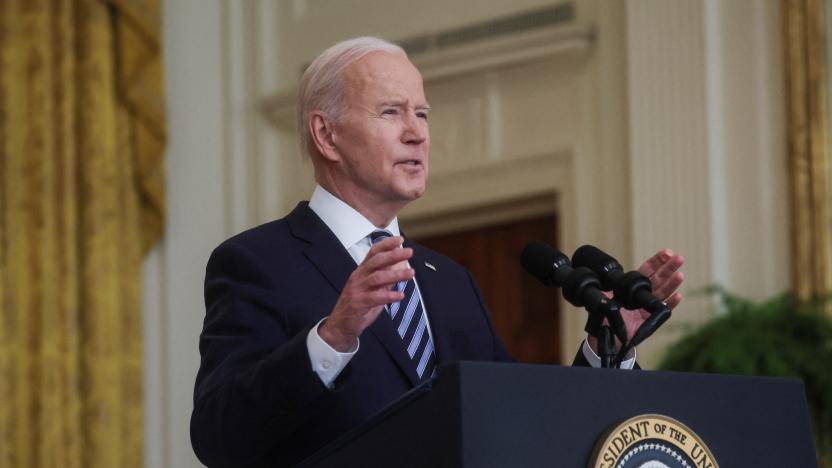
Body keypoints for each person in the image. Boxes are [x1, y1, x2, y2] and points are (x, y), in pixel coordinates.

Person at [190, 37, 684, 468]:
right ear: (327, 135)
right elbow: (219, 437)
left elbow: (524, 424)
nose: (418, 132)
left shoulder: (449, 280)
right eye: (391, 112)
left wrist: (608, 345)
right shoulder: (258, 262)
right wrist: (333, 337)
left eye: (421, 113)